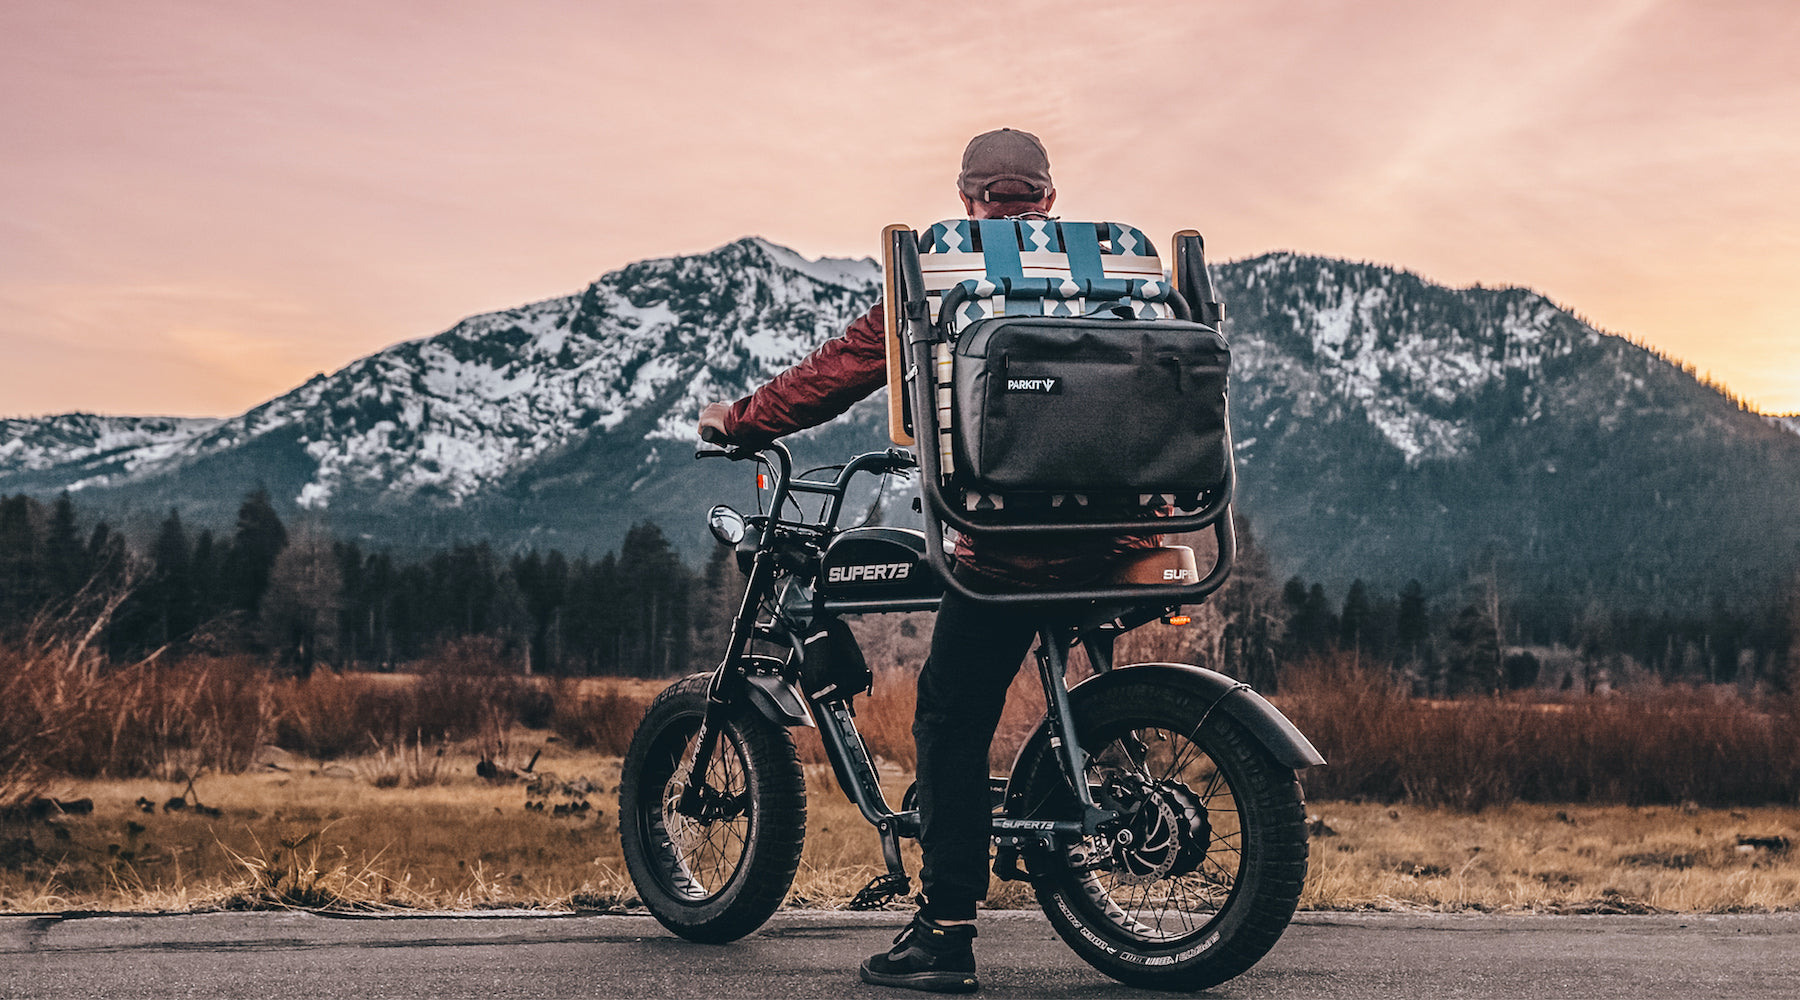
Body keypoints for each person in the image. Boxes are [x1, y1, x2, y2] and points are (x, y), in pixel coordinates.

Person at [698, 128, 1155, 994]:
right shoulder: (1122, 270)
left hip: (1011, 548)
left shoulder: (941, 272)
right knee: (1007, 670)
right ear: (1049, 198)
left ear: (968, 199)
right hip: (1130, 538)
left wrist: (744, 419)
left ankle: (945, 932)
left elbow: (840, 370)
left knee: (947, 717)